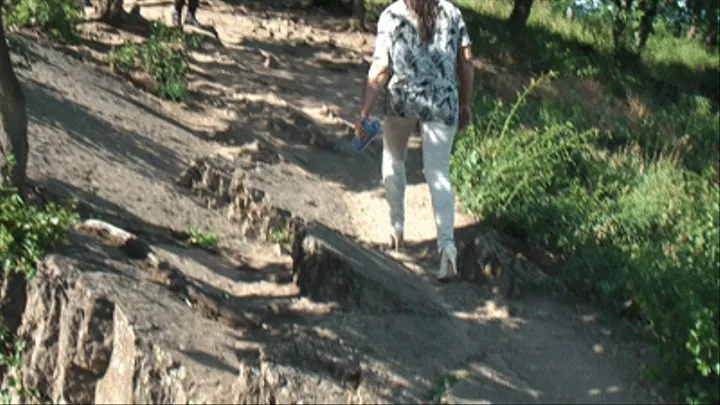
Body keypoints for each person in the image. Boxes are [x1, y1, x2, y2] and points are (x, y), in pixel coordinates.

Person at [354, 0, 475, 281]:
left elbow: (381, 69)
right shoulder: (452, 12)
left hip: (403, 99)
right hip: (443, 101)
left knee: (394, 158)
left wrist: (364, 113)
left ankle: (396, 229)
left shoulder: (392, 15)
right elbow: (466, 62)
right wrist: (466, 103)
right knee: (438, 172)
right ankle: (447, 249)